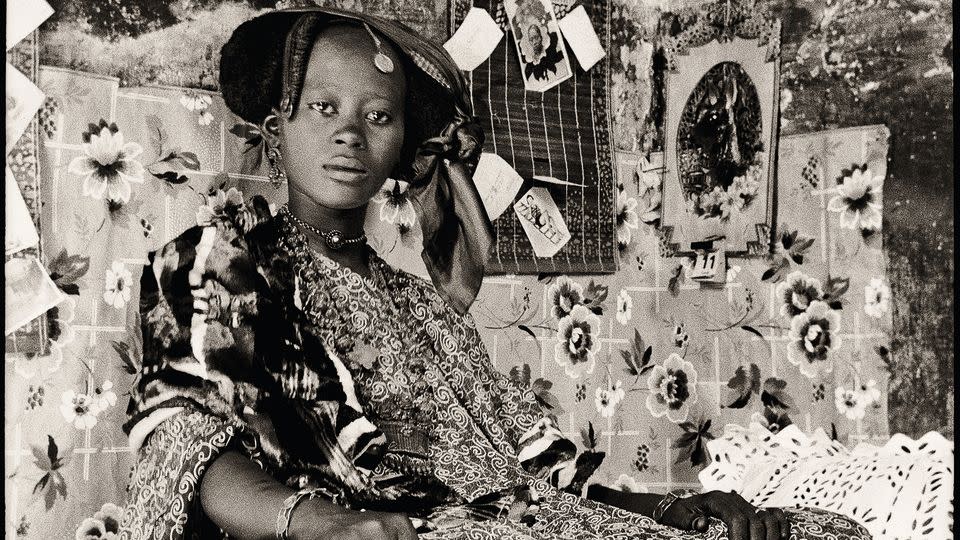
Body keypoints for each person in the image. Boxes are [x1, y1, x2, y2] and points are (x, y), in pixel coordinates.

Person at [119, 7, 871, 540]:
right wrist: (321, 522)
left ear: (401, 145)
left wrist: (664, 510)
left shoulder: (422, 302)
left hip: (517, 521)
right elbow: (182, 437)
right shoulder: (218, 266)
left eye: (379, 116)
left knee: (826, 534)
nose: (350, 132)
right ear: (276, 127)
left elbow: (527, 461)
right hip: (408, 529)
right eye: (322, 107)